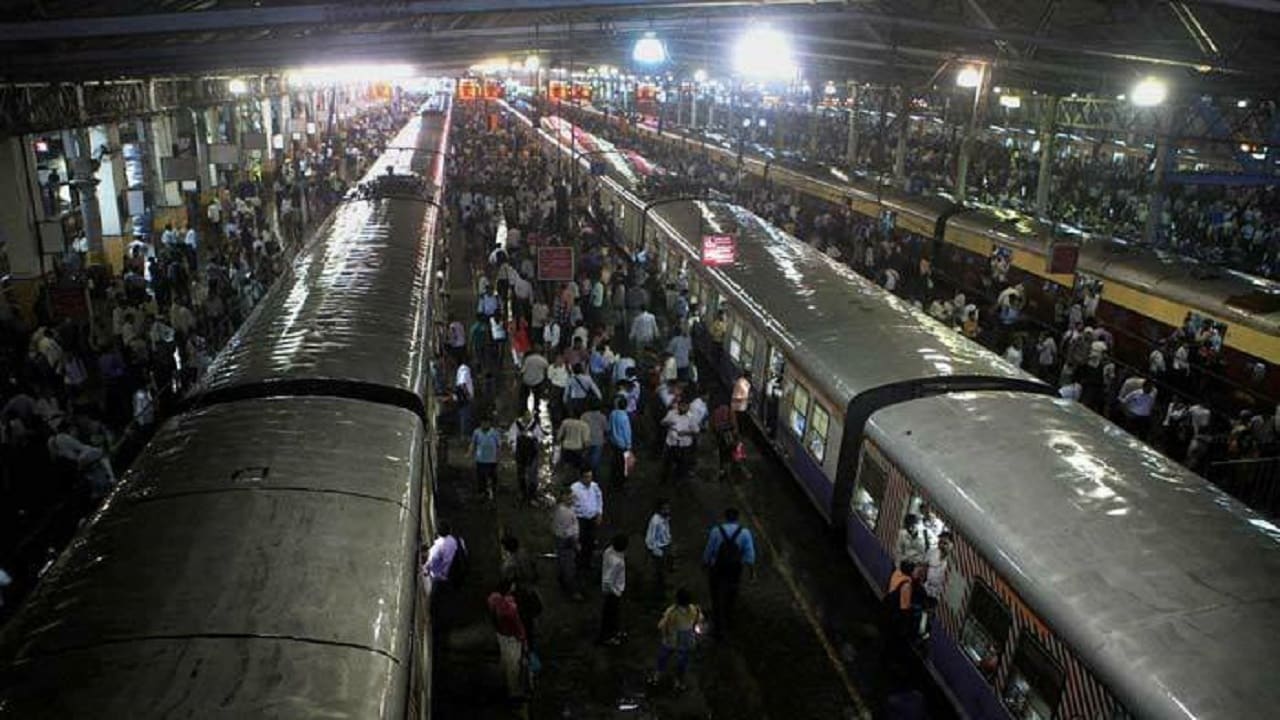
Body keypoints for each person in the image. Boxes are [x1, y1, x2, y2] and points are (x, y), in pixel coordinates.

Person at [701, 508, 757, 639]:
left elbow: (709, 549)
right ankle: (729, 619)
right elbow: (750, 554)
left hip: (717, 568)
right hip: (735, 569)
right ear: (738, 518)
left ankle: (717, 621)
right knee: (731, 594)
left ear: (725, 517)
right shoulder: (744, 533)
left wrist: (705, 564)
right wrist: (752, 571)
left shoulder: (716, 531)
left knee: (715, 593)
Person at [648, 588, 703, 692]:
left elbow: (662, 625)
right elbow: (699, 619)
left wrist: (663, 632)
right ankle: (678, 681)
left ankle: (657, 675)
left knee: (664, 656)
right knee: (682, 661)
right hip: (686, 640)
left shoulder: (671, 611)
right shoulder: (694, 609)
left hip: (671, 638)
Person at [487, 579, 529, 700]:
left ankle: (503, 681)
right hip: (511, 638)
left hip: (500, 635)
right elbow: (518, 626)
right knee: (514, 667)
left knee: (505, 660)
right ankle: (515, 692)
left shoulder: (492, 599)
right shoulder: (510, 608)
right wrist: (523, 641)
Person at [599, 534, 629, 646]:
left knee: (611, 614)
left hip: (610, 590)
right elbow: (608, 580)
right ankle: (608, 637)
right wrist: (617, 592)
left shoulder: (608, 551)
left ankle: (613, 632)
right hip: (613, 591)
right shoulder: (618, 562)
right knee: (611, 614)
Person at [571, 470, 603, 573]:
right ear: (581, 477)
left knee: (590, 541)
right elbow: (571, 505)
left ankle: (588, 562)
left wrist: (599, 513)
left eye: (590, 477)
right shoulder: (574, 489)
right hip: (581, 520)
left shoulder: (594, 486)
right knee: (580, 542)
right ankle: (578, 563)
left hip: (592, 520)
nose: (589, 480)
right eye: (586, 477)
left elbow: (599, 499)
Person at [551, 490, 582, 599]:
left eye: (572, 497)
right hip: (567, 541)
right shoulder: (566, 513)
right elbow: (568, 533)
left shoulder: (559, 508)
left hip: (559, 539)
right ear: (564, 498)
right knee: (569, 565)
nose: (571, 500)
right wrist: (576, 543)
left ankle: (561, 580)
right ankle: (572, 591)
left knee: (561, 560)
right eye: (569, 498)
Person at [508, 410, 543, 504]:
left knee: (533, 475)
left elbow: (540, 438)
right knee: (521, 473)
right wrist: (513, 448)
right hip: (520, 453)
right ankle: (522, 492)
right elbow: (511, 437)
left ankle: (532, 495)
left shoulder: (535, 425)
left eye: (529, 417)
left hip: (532, 453)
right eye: (526, 417)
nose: (528, 419)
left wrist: (534, 440)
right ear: (523, 416)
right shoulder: (516, 424)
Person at [661, 397, 699, 483]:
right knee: (667, 463)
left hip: (684, 445)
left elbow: (696, 431)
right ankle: (664, 481)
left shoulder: (691, 417)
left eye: (686, 406)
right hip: (671, 443)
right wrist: (668, 423)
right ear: (678, 406)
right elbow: (662, 422)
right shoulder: (671, 413)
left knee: (682, 465)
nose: (684, 408)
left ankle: (679, 482)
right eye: (682, 406)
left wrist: (686, 433)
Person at [645, 499, 673, 600]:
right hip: (659, 550)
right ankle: (658, 595)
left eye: (668, 508)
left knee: (664, 572)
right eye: (665, 509)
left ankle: (662, 591)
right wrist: (657, 551)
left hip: (665, 547)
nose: (667, 510)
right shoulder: (655, 521)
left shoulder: (665, 519)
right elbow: (649, 539)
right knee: (659, 573)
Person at [470, 416, 502, 501]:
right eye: (483, 423)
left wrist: (498, 457)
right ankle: (482, 492)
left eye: (486, 423)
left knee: (493, 476)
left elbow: (499, 446)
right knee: (481, 476)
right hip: (480, 458)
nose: (484, 424)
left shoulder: (495, 433)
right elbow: (473, 443)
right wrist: (470, 453)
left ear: (489, 423)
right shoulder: (476, 432)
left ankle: (493, 490)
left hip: (492, 459)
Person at [608, 395, 633, 488]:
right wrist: (629, 445)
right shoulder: (625, 417)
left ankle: (613, 480)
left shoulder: (613, 413)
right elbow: (627, 432)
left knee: (615, 462)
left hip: (614, 442)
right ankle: (621, 482)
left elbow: (609, 427)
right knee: (623, 464)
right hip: (623, 444)